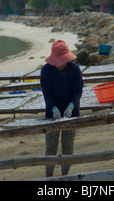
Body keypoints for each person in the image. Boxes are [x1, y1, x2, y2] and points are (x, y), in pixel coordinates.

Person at [40, 40, 83, 178]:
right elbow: (46, 93)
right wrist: (52, 107)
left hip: (72, 111)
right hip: (52, 111)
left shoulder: (74, 69)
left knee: (68, 145)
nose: (61, 64)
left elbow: (77, 91)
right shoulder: (46, 70)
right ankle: (49, 177)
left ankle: (64, 175)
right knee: (51, 146)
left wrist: (72, 105)